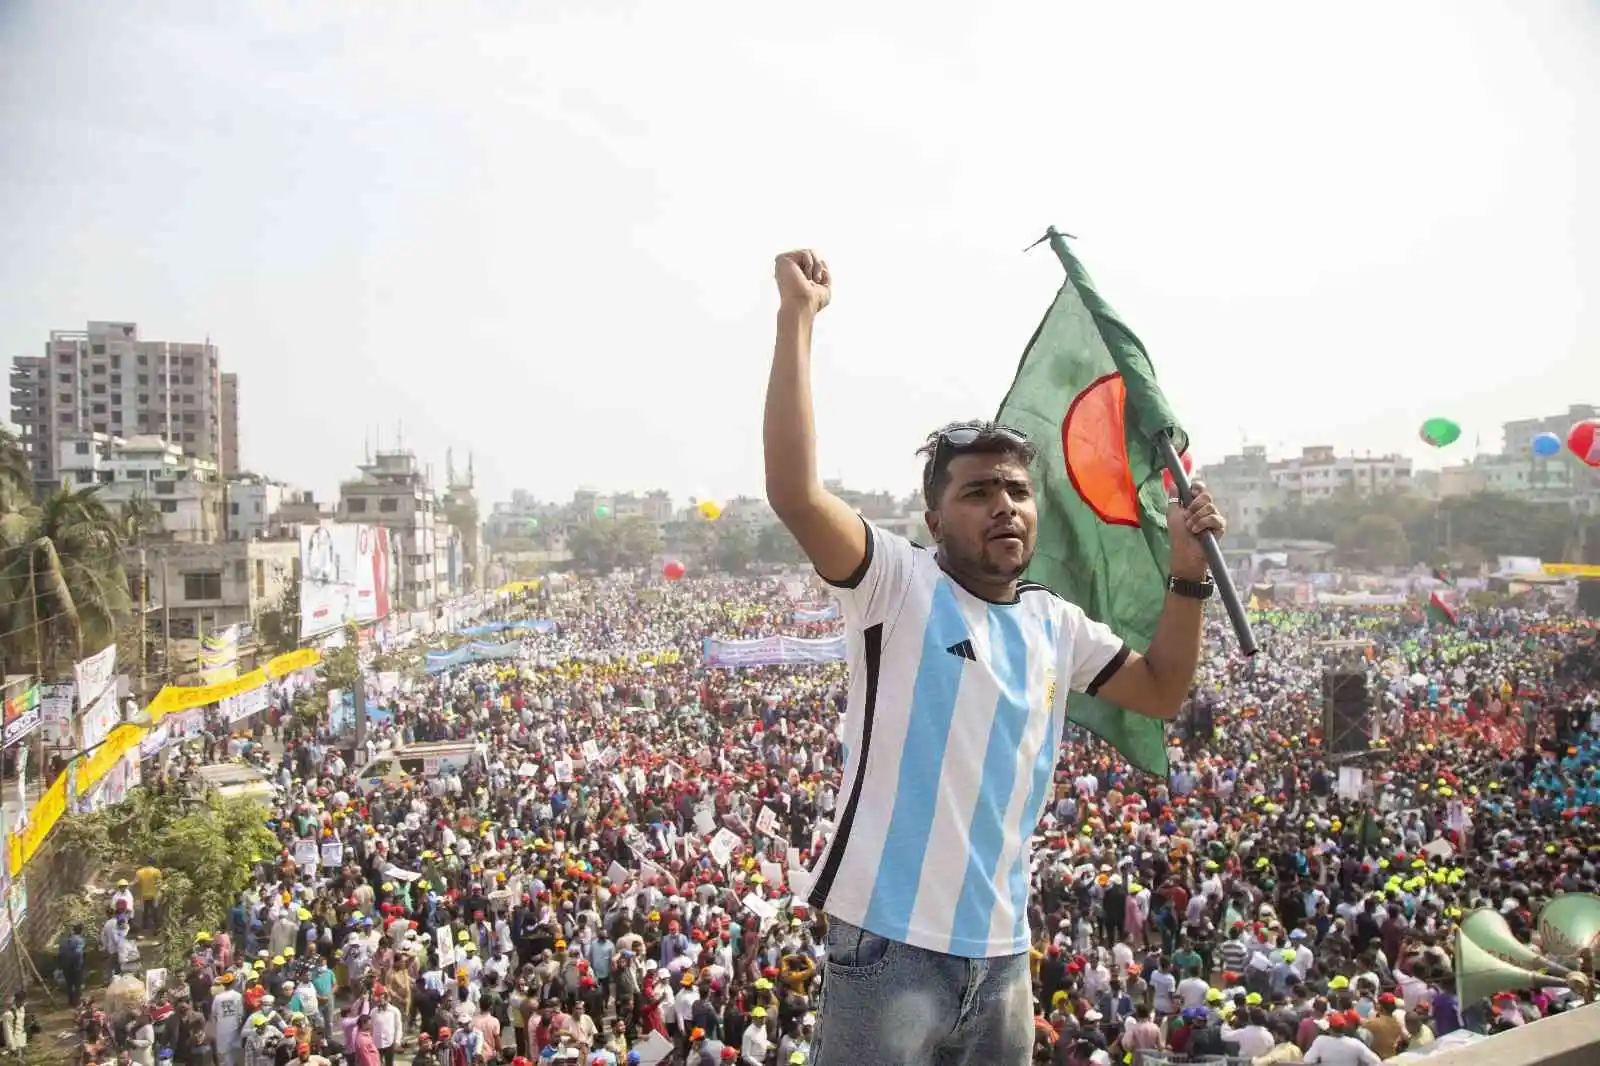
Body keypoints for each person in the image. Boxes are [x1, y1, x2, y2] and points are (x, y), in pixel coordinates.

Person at [762, 247, 1225, 1066]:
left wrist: (1187, 575)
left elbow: (1158, 692)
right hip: (888, 946)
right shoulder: (895, 586)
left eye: (1016, 491)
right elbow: (798, 494)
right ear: (934, 520)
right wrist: (797, 318)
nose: (1004, 506)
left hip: (1006, 951)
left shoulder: (1056, 623)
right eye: (977, 493)